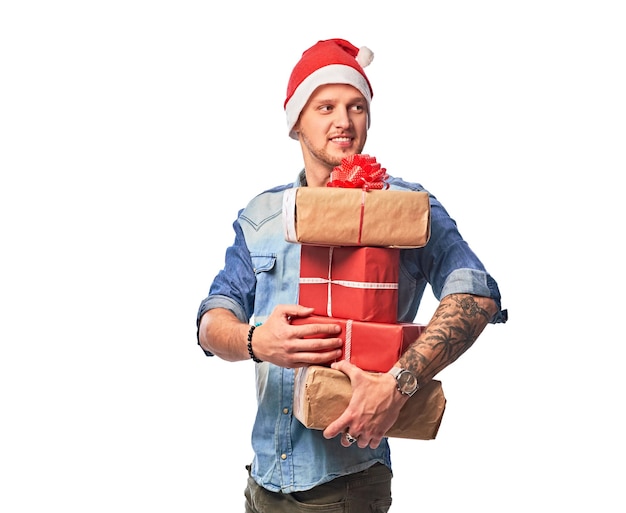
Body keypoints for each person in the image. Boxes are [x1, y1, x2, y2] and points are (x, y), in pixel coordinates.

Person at [196, 38, 507, 512]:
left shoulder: (403, 209)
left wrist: (399, 383)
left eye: (356, 106)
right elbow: (213, 321)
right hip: (261, 483)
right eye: (326, 106)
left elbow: (476, 294)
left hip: (345, 487)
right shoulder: (262, 215)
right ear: (296, 121)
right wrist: (259, 341)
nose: (344, 121)